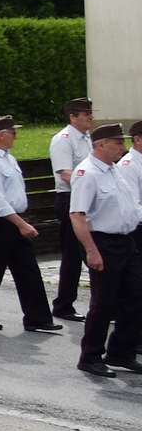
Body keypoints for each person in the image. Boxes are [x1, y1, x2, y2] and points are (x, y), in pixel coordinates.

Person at [0, 115, 59, 334]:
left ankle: (37, 317)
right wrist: (21, 224)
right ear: (1, 135)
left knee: (28, 269)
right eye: (13, 133)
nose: (16, 137)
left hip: (14, 219)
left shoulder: (7, 158)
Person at [69, 123, 142, 376]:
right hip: (102, 242)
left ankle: (121, 352)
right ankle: (90, 356)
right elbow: (77, 215)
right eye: (118, 142)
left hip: (125, 242)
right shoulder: (87, 173)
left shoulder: (113, 169)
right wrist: (91, 251)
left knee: (136, 295)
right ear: (101, 144)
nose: (123, 147)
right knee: (103, 303)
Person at [51, 97, 96, 322]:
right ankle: (64, 305)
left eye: (90, 113)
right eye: (85, 113)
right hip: (70, 199)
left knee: (86, 252)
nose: (90, 117)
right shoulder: (64, 140)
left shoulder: (87, 139)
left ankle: (102, 303)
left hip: (87, 199)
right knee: (73, 256)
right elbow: (65, 174)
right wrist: (90, 187)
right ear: (72, 117)